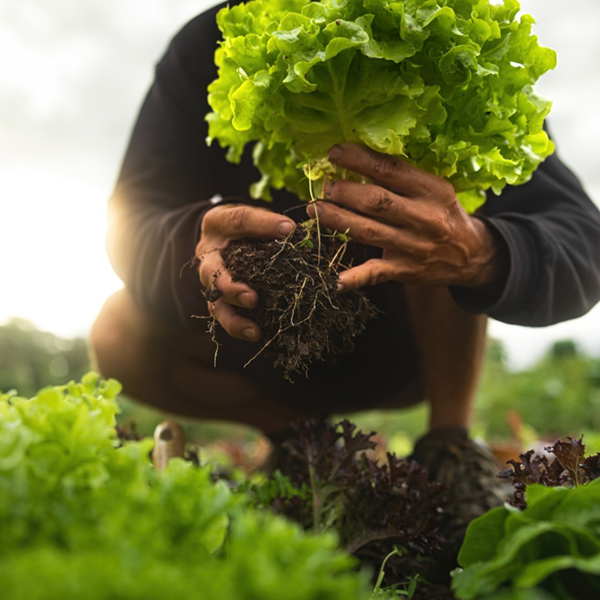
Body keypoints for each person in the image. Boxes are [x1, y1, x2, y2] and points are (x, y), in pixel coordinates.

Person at [91, 1, 600, 548]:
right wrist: (192, 245)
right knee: (117, 333)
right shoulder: (207, 46)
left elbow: (582, 243)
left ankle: (448, 447)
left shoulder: (443, 29)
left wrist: (480, 251)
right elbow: (133, 216)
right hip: (265, 344)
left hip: (414, 350)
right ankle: (301, 441)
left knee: (443, 216)